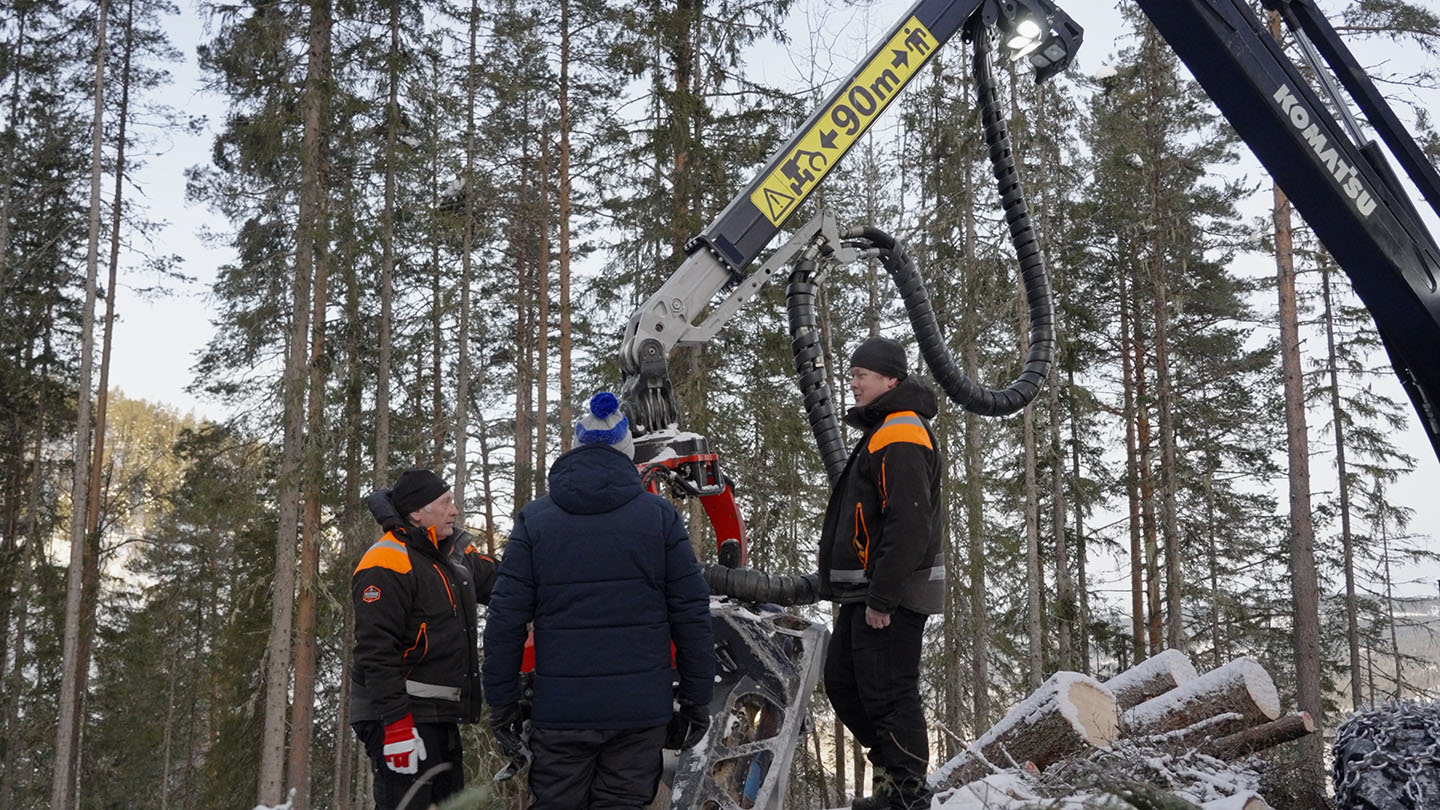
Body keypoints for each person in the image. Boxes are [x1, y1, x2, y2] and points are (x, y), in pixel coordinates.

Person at [484, 391, 715, 810]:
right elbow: (691, 614)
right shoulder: (659, 518)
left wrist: (501, 703)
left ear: (576, 447)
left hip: (561, 712)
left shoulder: (535, 521)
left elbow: (505, 619)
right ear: (627, 451)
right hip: (639, 712)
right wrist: (697, 699)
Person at [818, 336, 944, 810]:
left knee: (889, 694)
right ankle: (894, 780)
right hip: (867, 591)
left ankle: (906, 796)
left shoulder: (901, 431)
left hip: (892, 593)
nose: (852, 384)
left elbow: (909, 522)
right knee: (845, 683)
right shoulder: (885, 428)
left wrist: (884, 597)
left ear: (890, 379)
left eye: (861, 375)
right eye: (851, 375)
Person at [349, 468, 499, 810]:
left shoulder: (452, 556)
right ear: (417, 512)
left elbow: (504, 582)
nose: (454, 511)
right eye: (445, 503)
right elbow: (375, 651)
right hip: (397, 716)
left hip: (438, 715)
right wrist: (397, 725)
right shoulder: (386, 561)